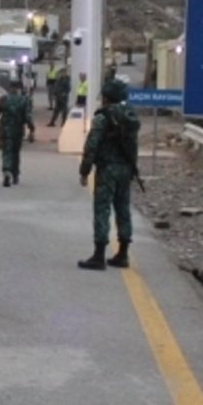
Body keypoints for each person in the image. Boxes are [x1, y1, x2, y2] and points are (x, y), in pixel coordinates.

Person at [77, 77, 141, 270]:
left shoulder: (102, 117)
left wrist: (84, 170)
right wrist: (132, 167)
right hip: (126, 169)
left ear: (106, 97)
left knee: (102, 209)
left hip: (107, 170)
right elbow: (133, 146)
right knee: (123, 209)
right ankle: (123, 253)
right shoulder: (130, 116)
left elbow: (91, 146)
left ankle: (98, 255)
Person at [0, 77, 35, 188]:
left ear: (9, 88)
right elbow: (28, 117)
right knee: (16, 153)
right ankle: (15, 175)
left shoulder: (3, 99)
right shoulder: (24, 100)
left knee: (7, 152)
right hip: (18, 131)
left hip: (5, 131)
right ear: (19, 88)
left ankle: (6, 170)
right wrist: (32, 129)